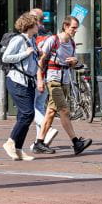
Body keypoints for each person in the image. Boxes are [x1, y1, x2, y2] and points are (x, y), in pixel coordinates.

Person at [37, 16, 92, 156]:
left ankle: (39, 143)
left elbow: (74, 64)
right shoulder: (53, 40)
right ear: (65, 26)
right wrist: (40, 79)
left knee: (50, 111)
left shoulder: (72, 43)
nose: (75, 30)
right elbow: (41, 59)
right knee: (64, 110)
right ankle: (76, 143)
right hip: (53, 79)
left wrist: (75, 61)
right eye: (73, 27)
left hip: (66, 80)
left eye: (76, 28)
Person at [1, 12, 42, 161]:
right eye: (37, 23)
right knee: (27, 113)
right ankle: (10, 142)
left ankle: (18, 149)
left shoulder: (32, 40)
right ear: (30, 25)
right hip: (17, 81)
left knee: (23, 115)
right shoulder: (19, 40)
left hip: (28, 82)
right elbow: (6, 57)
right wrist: (25, 54)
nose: (39, 26)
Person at [28, 8, 59, 154]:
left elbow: (37, 58)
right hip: (47, 75)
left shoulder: (33, 34)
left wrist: (39, 78)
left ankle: (48, 128)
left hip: (35, 76)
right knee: (39, 107)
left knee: (29, 106)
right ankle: (39, 141)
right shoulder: (48, 34)